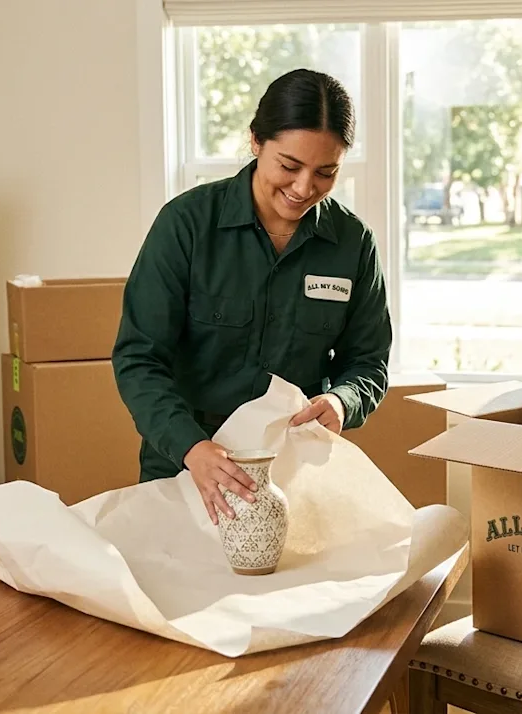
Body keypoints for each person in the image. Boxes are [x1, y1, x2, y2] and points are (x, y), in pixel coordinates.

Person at [112, 68, 393, 526]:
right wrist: (191, 448)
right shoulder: (186, 226)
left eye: (326, 172)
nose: (304, 188)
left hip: (293, 473)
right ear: (256, 142)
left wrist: (342, 401)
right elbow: (138, 359)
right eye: (289, 165)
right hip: (184, 465)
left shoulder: (352, 243)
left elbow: (369, 362)